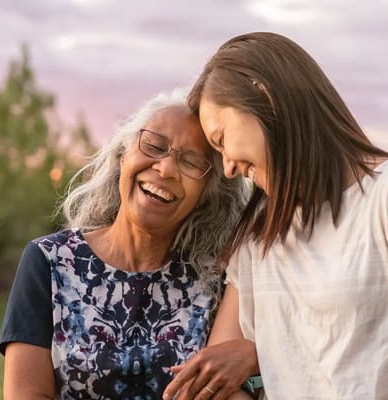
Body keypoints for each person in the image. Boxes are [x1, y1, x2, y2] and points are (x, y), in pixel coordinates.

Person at [163, 32, 388, 400]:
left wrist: (261, 353)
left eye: (221, 139)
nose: (229, 167)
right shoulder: (259, 237)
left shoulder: (380, 200)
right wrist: (259, 357)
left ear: (264, 95)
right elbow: (210, 386)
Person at [0, 88, 248, 399]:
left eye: (191, 163)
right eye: (154, 146)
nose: (166, 169)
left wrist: (253, 356)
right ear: (122, 155)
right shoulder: (49, 261)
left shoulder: (217, 281)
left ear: (207, 195)